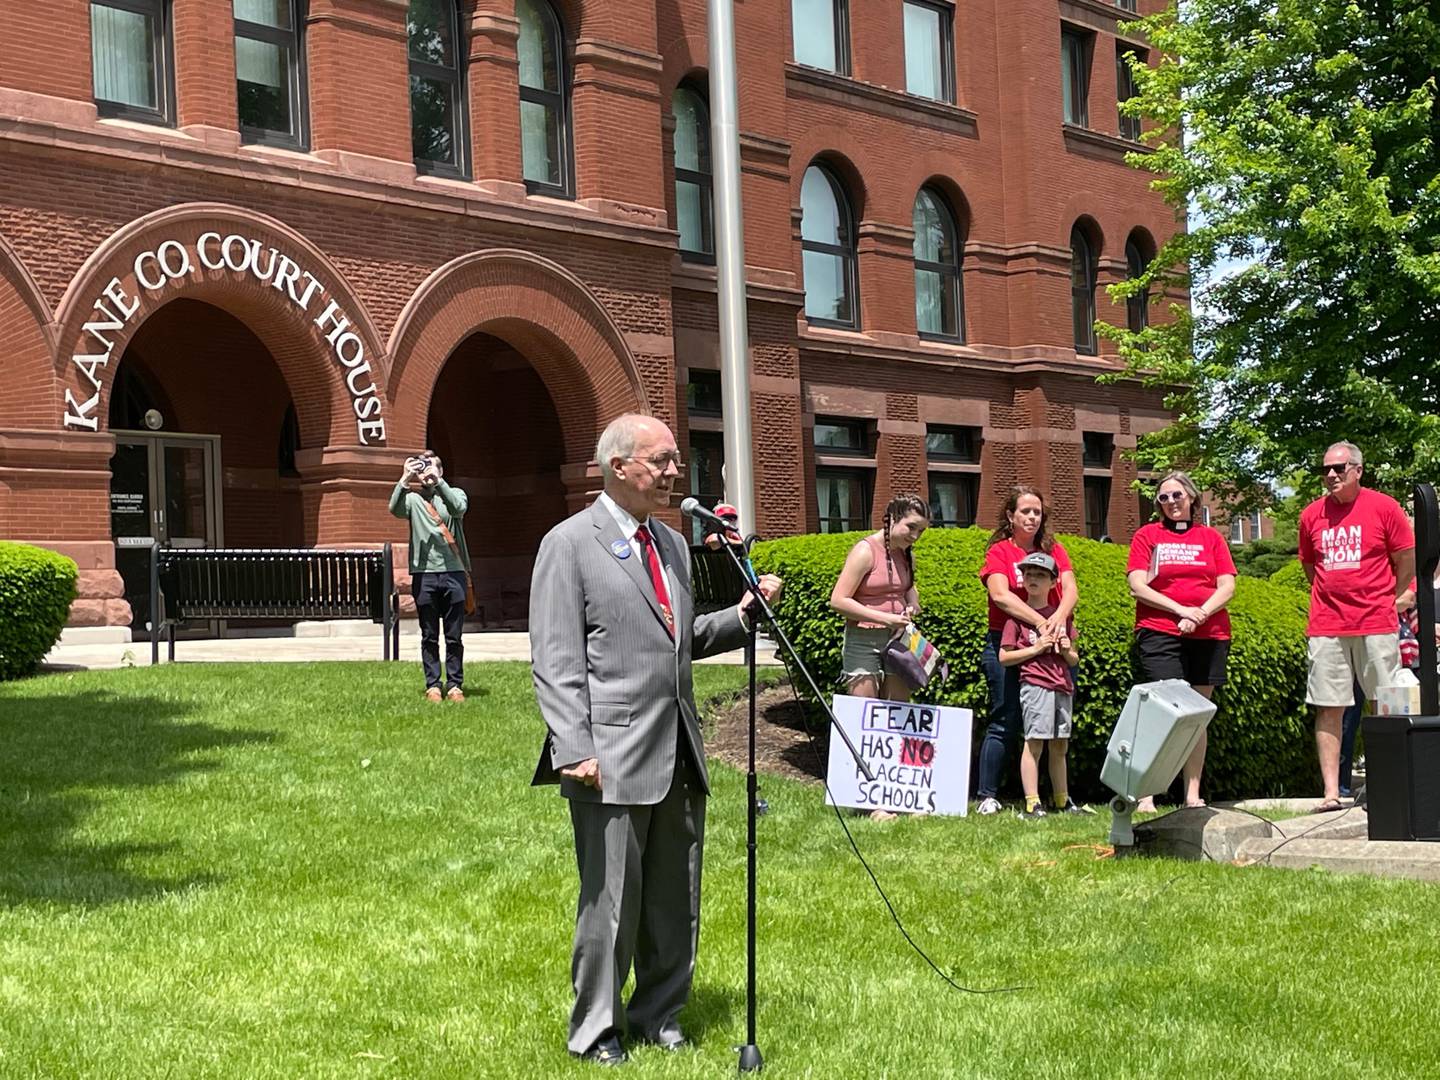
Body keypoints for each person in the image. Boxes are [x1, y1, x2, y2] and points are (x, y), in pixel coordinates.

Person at [529, 414, 782, 1066]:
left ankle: (658, 1015)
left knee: (675, 898)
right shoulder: (569, 543)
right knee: (610, 904)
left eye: (676, 461)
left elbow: (685, 638)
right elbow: (555, 660)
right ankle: (596, 1032)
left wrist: (742, 616)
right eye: (663, 460)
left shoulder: (670, 544)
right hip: (606, 757)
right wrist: (573, 748)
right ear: (618, 466)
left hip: (678, 753)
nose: (676, 472)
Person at [1298, 441, 1415, 813]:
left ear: (1358, 470)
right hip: (1327, 625)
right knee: (1328, 706)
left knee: (1388, 702)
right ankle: (1332, 793)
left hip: (1376, 622)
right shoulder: (1311, 515)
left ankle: (1394, 785)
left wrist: (1396, 598)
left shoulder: (1384, 507)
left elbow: (1406, 556)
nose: (1331, 475)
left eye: (1340, 468)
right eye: (1326, 470)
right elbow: (1310, 565)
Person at [1125, 471, 1236, 810]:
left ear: (1191, 497)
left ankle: (1192, 794)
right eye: (1163, 498)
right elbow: (1137, 585)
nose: (1171, 502)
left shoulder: (1211, 538)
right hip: (1160, 630)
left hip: (1209, 633)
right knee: (1162, 710)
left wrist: (1200, 613)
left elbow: (1227, 585)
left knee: (1197, 714)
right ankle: (1146, 793)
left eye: (1177, 495)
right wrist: (1180, 611)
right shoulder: (1147, 536)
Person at [975, 486, 1078, 815]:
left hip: (1055, 647)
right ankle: (987, 794)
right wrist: (1040, 623)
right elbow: (1001, 596)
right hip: (1006, 639)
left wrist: (1058, 621)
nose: (1032, 517)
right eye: (1025, 512)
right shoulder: (1000, 553)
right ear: (1011, 516)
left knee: (1057, 730)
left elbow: (1071, 590)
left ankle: (1059, 797)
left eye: (1037, 512)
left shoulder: (1054, 549)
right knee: (1005, 719)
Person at [828, 493, 930, 820]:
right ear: (891, 519)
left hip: (897, 640)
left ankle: (901, 795)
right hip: (863, 639)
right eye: (910, 527)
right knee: (865, 718)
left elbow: (910, 595)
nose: (914, 536)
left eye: (921, 531)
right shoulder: (864, 551)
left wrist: (911, 608)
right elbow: (838, 600)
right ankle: (871, 801)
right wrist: (886, 617)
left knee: (898, 716)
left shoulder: (906, 555)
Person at [1000, 552, 1090, 819]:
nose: (1033, 579)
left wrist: (1064, 650)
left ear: (1053, 583)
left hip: (1062, 685)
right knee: (1035, 742)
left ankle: (1062, 800)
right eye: (1028, 574)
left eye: (1040, 575)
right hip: (1035, 683)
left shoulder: (1062, 618)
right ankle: (1032, 803)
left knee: (1060, 744)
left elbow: (1074, 658)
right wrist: (1036, 648)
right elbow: (1004, 658)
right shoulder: (1016, 619)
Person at [389, 450, 470, 703]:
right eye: (422, 469)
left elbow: (459, 509)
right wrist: (405, 477)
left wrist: (439, 482)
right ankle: (433, 684)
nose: (426, 473)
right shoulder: (413, 500)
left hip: (453, 571)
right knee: (429, 634)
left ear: (441, 470)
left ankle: (455, 684)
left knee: (454, 635)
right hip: (424, 574)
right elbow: (394, 509)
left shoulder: (454, 494)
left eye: (431, 468)